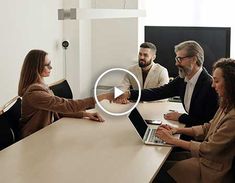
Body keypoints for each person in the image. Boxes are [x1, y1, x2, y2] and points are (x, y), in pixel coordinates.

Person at [154, 58, 235, 183]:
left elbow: (209, 149)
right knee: (162, 161)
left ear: (231, 83)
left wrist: (172, 140)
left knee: (157, 173)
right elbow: (207, 127)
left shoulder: (233, 116)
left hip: (213, 169)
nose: (213, 85)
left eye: (217, 81)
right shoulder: (226, 104)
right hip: (207, 160)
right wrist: (177, 130)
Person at [116, 40, 218, 128]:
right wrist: (129, 94)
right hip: (189, 131)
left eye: (180, 59)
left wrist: (181, 117)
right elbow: (158, 92)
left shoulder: (210, 86)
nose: (176, 63)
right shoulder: (182, 80)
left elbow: (208, 124)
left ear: (194, 59)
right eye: (176, 59)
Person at [18, 49, 112, 138]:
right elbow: (68, 105)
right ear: (36, 68)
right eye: (47, 65)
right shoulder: (34, 94)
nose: (51, 67)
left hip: (46, 133)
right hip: (33, 140)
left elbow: (58, 110)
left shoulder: (42, 87)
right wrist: (103, 96)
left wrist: (85, 114)